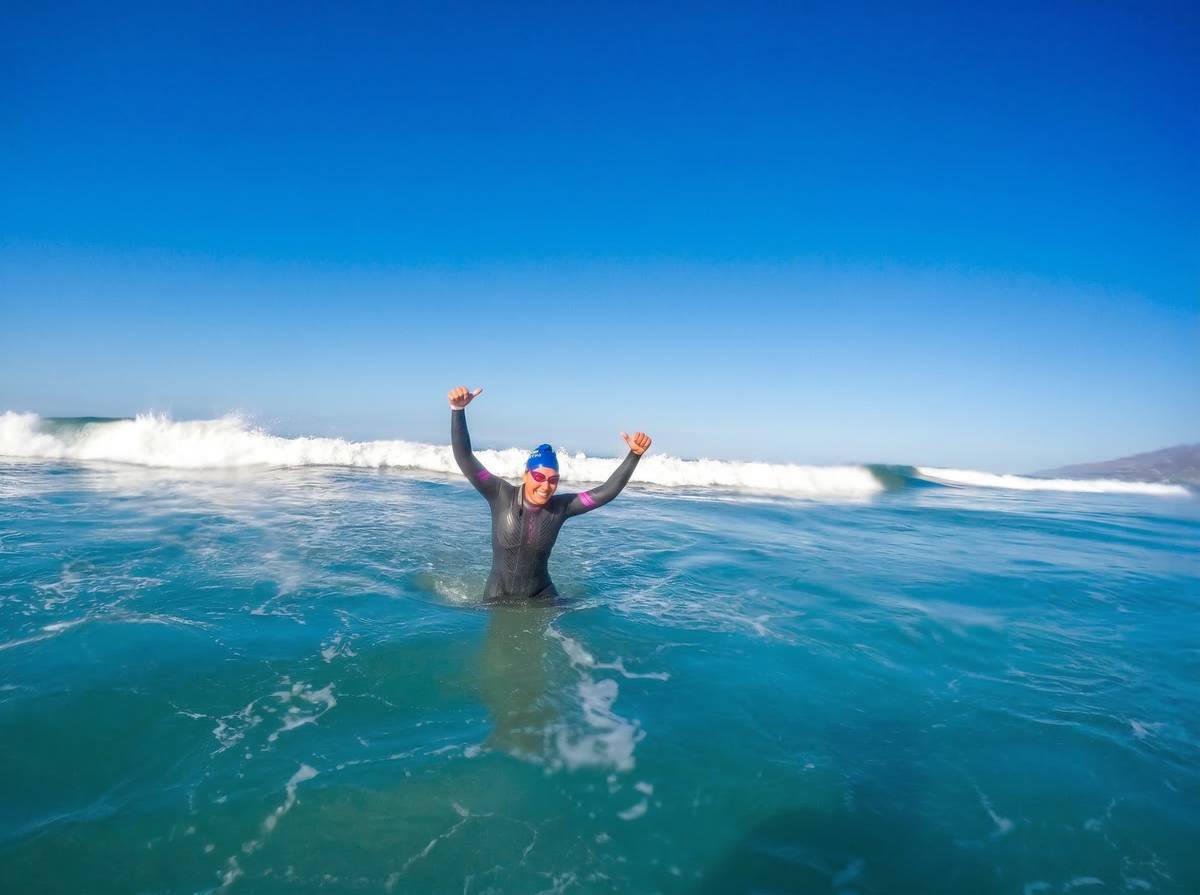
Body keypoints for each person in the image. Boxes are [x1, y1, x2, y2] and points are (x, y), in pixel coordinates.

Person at [448, 385, 651, 600]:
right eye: (539, 477)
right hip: (498, 596)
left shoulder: (561, 508)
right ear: (526, 474)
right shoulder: (500, 494)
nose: (546, 486)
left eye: (553, 480)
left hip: (542, 596)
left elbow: (606, 492)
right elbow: (465, 458)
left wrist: (634, 456)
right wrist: (457, 410)